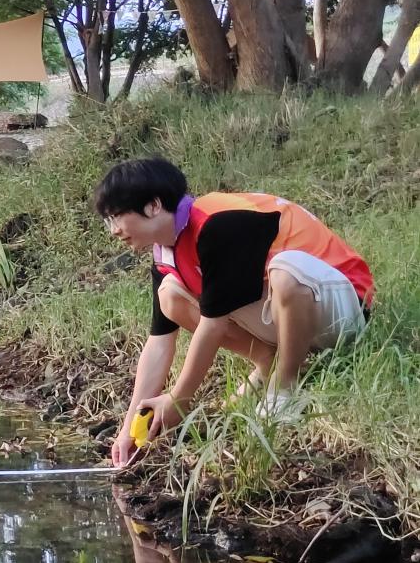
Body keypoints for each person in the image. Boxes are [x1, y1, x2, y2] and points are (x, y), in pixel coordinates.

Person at [97, 157, 374, 467]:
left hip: (343, 309)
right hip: (289, 312)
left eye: (116, 217)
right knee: (170, 296)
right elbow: (159, 342)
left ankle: (285, 388)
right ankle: (268, 362)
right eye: (108, 221)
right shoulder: (167, 252)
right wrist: (128, 431)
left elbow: (213, 325)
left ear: (153, 206)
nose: (114, 231)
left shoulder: (218, 223)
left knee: (286, 271)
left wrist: (179, 398)